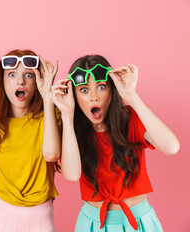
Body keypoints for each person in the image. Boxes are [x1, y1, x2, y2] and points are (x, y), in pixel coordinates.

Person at [51, 54, 180, 231]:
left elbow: (171, 147)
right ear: (73, 95)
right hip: (92, 225)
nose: (93, 97)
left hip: (139, 222)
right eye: (84, 90)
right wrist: (66, 113)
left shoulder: (131, 120)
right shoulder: (72, 130)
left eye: (101, 87)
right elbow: (72, 175)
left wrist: (131, 96)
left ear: (112, 90)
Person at [0, 50, 62, 232]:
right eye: (12, 75)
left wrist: (48, 98)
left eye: (29, 75)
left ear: (38, 81)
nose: (20, 81)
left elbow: (52, 154)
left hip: (42, 220)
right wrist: (9, 195)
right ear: (2, 81)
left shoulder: (52, 115)